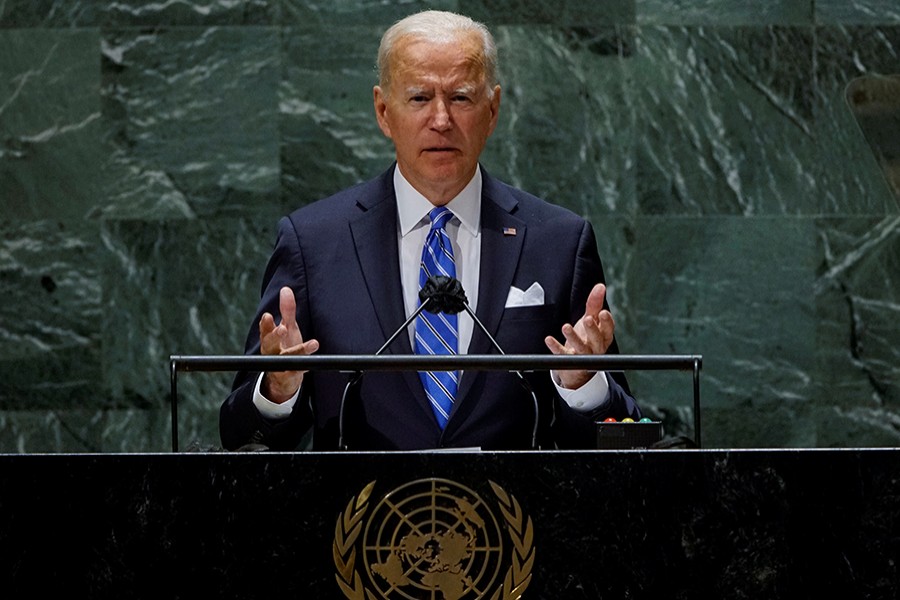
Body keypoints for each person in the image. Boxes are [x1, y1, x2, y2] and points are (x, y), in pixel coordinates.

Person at [219, 10, 641, 451]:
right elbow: (239, 439)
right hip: (362, 516)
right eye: (420, 98)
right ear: (384, 112)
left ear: (492, 110)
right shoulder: (314, 243)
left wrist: (584, 384)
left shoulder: (559, 242)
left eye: (460, 98)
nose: (441, 119)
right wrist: (277, 390)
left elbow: (626, 433)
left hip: (513, 516)